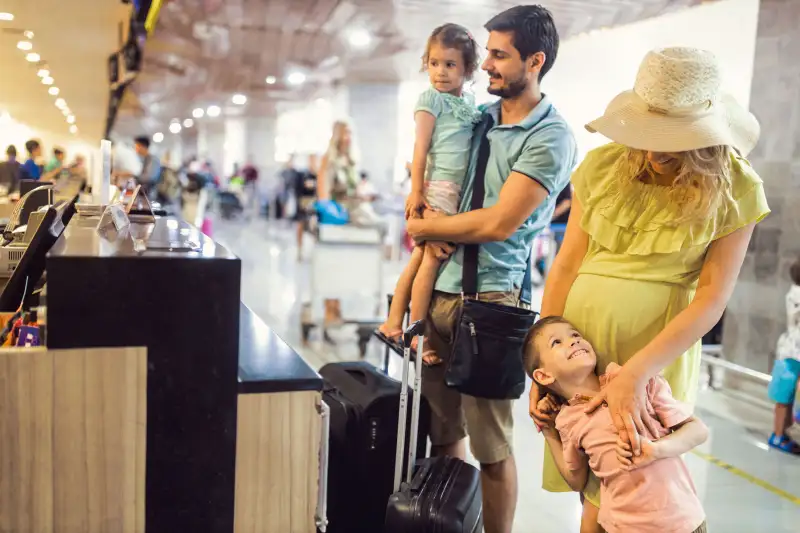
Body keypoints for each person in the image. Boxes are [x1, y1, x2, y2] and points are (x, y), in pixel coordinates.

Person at [529, 47, 770, 531]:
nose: (657, 152)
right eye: (649, 133)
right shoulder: (603, 168)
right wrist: (540, 361)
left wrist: (636, 374)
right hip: (579, 345)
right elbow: (566, 265)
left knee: (643, 480)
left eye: (674, 140)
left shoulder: (736, 188)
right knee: (593, 471)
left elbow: (711, 298)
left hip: (657, 352)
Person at [405, 6, 578, 533]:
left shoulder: (550, 136)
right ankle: (448, 522)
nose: (487, 68)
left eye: (500, 56)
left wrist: (427, 229)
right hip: (437, 291)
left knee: (493, 447)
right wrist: (415, 202)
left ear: (536, 60)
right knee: (443, 431)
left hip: (492, 303)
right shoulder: (477, 117)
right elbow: (435, 165)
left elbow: (501, 222)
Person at [527, 316, 709, 533]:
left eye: (575, 335)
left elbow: (698, 431)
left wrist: (657, 450)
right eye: (556, 342)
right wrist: (548, 430)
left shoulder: (635, 383)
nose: (573, 341)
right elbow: (576, 480)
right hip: (623, 527)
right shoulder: (568, 419)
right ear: (543, 375)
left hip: (682, 521)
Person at [376, 23, 482, 351]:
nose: (440, 72)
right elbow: (420, 149)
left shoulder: (469, 102)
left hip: (453, 191)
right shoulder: (430, 100)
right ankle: (417, 336)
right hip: (439, 189)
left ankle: (394, 322)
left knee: (420, 256)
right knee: (430, 261)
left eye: (450, 65)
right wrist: (417, 191)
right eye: (434, 63)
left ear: (468, 69)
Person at [768, 257, 800, 454]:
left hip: (790, 350)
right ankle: (780, 434)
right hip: (794, 353)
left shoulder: (793, 292)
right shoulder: (797, 295)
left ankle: (781, 433)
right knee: (785, 398)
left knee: (785, 398)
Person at [317, 121, 357, 202]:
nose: (349, 137)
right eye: (346, 133)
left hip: (354, 206)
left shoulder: (349, 160)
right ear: (338, 135)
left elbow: (352, 190)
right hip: (339, 210)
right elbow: (323, 195)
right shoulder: (329, 160)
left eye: (350, 133)